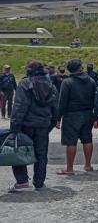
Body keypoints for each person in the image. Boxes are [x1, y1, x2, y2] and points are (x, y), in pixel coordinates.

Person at [8, 61, 58, 192]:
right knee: (41, 154)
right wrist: (51, 124)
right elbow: (55, 107)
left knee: (18, 150)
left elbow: (19, 106)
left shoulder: (25, 83)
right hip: (43, 124)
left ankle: (22, 180)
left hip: (26, 124)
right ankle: (39, 182)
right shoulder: (50, 85)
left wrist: (14, 125)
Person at [56, 59, 96, 175]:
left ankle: (69, 168)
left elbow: (62, 102)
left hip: (72, 115)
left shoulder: (67, 82)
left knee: (71, 142)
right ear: (81, 68)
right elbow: (95, 99)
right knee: (87, 139)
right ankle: (88, 165)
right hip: (88, 113)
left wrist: (58, 118)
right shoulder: (91, 81)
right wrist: (94, 116)